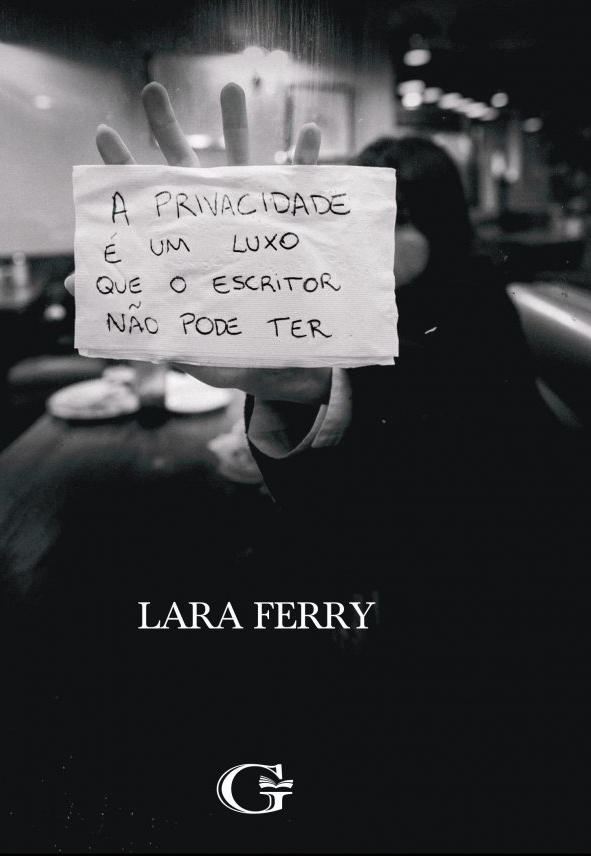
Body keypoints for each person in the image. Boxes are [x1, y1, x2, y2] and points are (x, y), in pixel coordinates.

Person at [66, 82, 583, 666]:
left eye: (393, 222)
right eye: (360, 220)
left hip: (492, 611)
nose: (370, 241)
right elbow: (338, 497)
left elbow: (466, 438)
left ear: (440, 225)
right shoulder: (347, 302)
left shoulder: (478, 299)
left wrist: (321, 381)